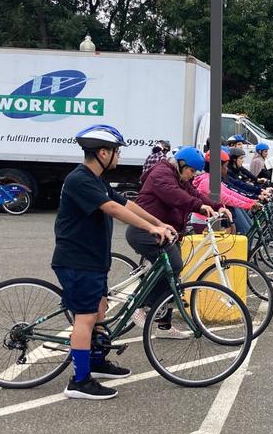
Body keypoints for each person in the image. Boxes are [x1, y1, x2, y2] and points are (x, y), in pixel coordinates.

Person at [53, 125, 175, 400]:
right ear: (103, 153)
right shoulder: (80, 179)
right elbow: (113, 209)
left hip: (93, 259)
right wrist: (151, 230)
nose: (119, 156)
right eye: (117, 152)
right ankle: (79, 381)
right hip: (77, 259)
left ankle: (95, 362)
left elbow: (126, 203)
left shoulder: (97, 180)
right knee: (84, 319)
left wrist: (158, 222)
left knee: (99, 309)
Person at [131, 146, 229, 336]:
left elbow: (194, 194)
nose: (192, 176)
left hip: (166, 233)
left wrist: (218, 206)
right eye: (191, 171)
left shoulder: (179, 176)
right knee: (174, 265)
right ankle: (139, 306)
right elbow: (176, 196)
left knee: (173, 278)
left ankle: (164, 327)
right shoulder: (162, 174)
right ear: (182, 164)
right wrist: (199, 207)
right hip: (144, 230)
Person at [192, 149, 259, 234]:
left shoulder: (213, 179)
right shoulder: (207, 182)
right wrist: (248, 205)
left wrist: (251, 202)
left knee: (246, 229)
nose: (227, 169)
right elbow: (226, 198)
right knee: (244, 232)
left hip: (214, 217)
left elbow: (230, 192)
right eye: (225, 166)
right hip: (204, 220)